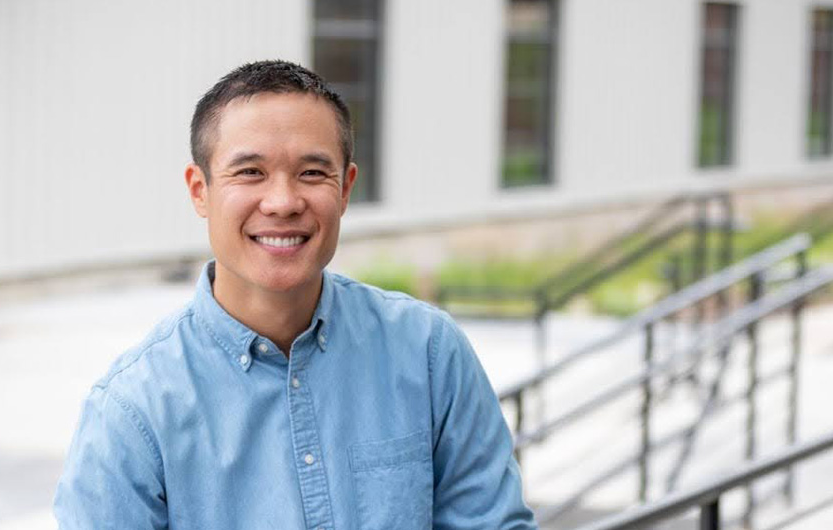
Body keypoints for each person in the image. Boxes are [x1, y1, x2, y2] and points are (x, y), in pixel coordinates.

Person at [54, 60, 535, 529]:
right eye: (250, 172)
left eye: (311, 173)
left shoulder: (428, 353)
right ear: (200, 190)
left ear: (345, 189)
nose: (283, 202)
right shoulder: (132, 411)